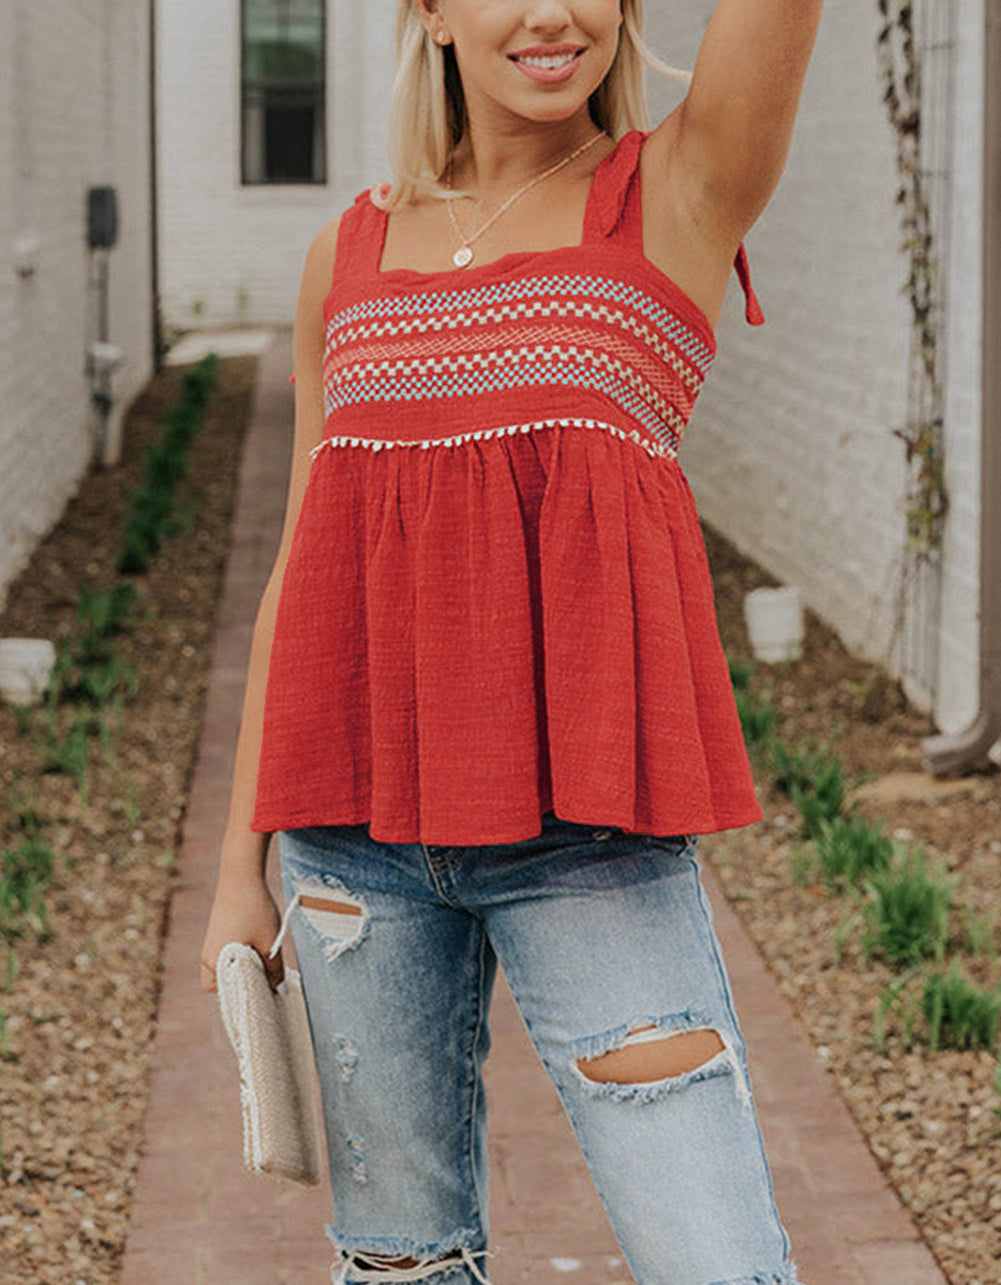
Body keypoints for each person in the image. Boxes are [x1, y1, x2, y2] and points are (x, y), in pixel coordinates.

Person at [200, 1, 824, 1282]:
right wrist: (233, 870)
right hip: (350, 851)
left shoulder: (679, 189)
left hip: (586, 840)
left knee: (713, 1258)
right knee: (400, 1267)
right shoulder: (348, 252)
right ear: (427, 13)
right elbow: (300, 570)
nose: (552, 12)